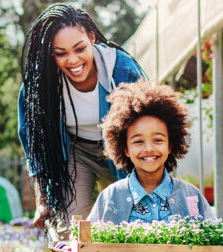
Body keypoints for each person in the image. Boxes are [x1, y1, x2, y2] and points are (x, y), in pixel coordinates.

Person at [18, 3, 145, 252]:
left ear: (92, 38)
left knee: (134, 227)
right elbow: (35, 144)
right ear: (49, 55)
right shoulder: (40, 85)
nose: (72, 60)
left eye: (79, 49)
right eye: (60, 54)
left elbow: (148, 124)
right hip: (72, 153)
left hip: (119, 149)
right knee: (71, 238)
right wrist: (44, 200)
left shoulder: (121, 68)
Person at [88, 80, 213, 224]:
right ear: (125, 149)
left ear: (170, 145)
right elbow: (86, 242)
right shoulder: (111, 196)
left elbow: (215, 239)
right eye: (138, 141)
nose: (149, 148)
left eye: (158, 140)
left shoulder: (191, 195)